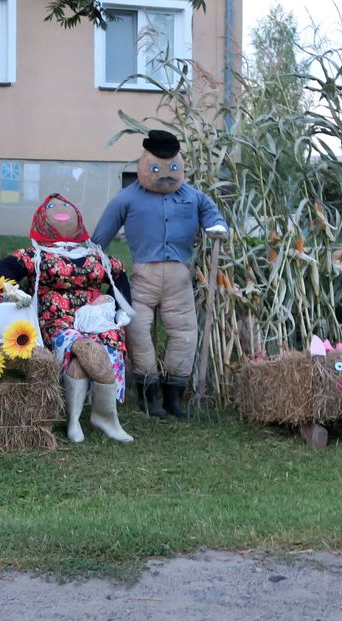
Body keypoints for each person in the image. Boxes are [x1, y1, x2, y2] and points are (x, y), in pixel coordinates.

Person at [90, 129, 229, 419]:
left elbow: (210, 213)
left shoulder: (193, 197)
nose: (165, 175)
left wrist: (216, 226)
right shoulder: (126, 199)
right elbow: (100, 237)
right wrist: (92, 257)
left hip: (179, 278)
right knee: (137, 330)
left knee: (185, 333)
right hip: (143, 278)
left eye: (172, 168)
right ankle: (148, 394)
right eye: (156, 168)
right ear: (144, 165)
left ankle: (174, 396)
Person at [0, 194, 135, 443]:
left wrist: (115, 304)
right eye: (53, 207)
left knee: (85, 358)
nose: (61, 209)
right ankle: (106, 417)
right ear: (42, 220)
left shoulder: (95, 256)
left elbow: (119, 276)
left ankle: (76, 420)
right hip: (57, 323)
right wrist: (18, 297)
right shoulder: (36, 256)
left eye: (66, 205)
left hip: (95, 322)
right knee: (90, 350)